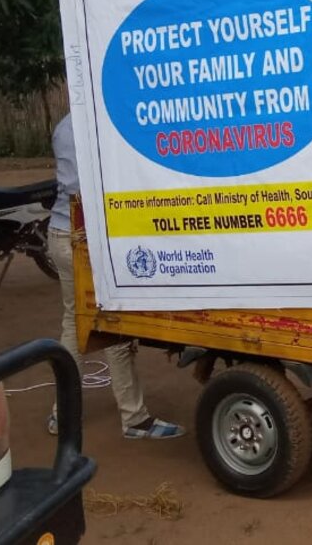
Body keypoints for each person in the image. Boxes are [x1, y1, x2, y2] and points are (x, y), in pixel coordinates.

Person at [48, 113, 184, 439]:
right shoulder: (98, 124)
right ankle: (135, 419)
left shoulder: (65, 125)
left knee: (75, 322)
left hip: (60, 231)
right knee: (116, 325)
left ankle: (63, 414)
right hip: (87, 239)